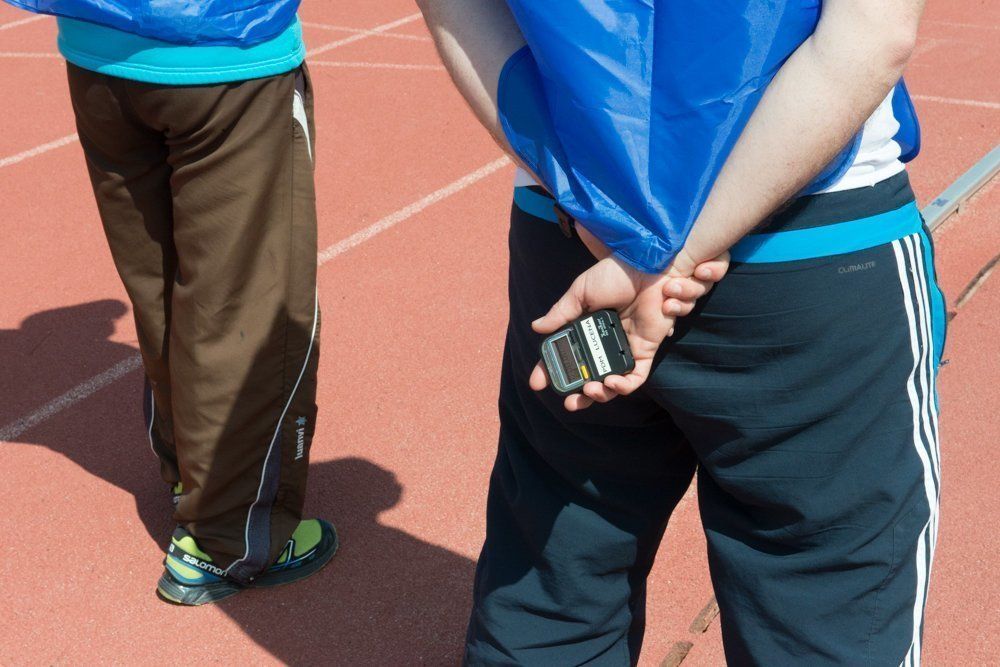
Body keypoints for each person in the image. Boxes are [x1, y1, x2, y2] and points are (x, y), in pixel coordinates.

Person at [418, 0, 944, 664]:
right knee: (830, 609)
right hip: (806, 242)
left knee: (551, 590)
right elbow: (872, 33)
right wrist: (677, 256)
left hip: (575, 245)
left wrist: (603, 215)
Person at [3, 0, 337, 605]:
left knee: (158, 290)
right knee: (243, 304)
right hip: (225, 54)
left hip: (95, 51)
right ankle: (229, 537)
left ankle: (193, 473)